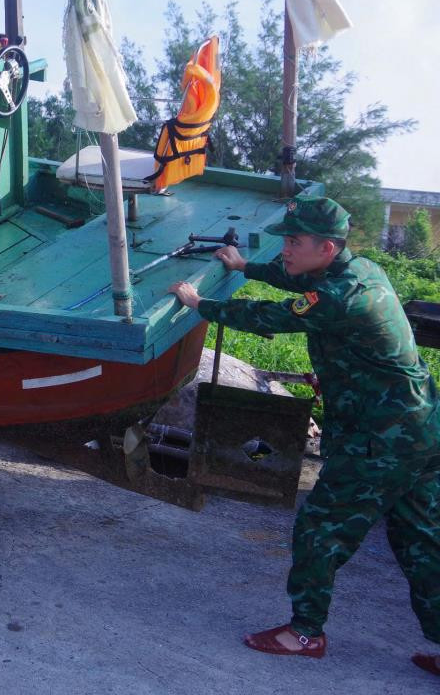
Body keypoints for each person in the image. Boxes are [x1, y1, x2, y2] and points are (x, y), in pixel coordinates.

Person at [168, 195, 439, 674]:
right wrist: (247, 266)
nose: (286, 250)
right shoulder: (358, 270)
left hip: (381, 437)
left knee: (320, 530)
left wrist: (199, 304)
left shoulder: (339, 294)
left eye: (294, 241)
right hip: (419, 428)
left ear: (328, 247)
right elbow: (294, 279)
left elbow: (272, 317)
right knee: (420, 540)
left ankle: (304, 633)